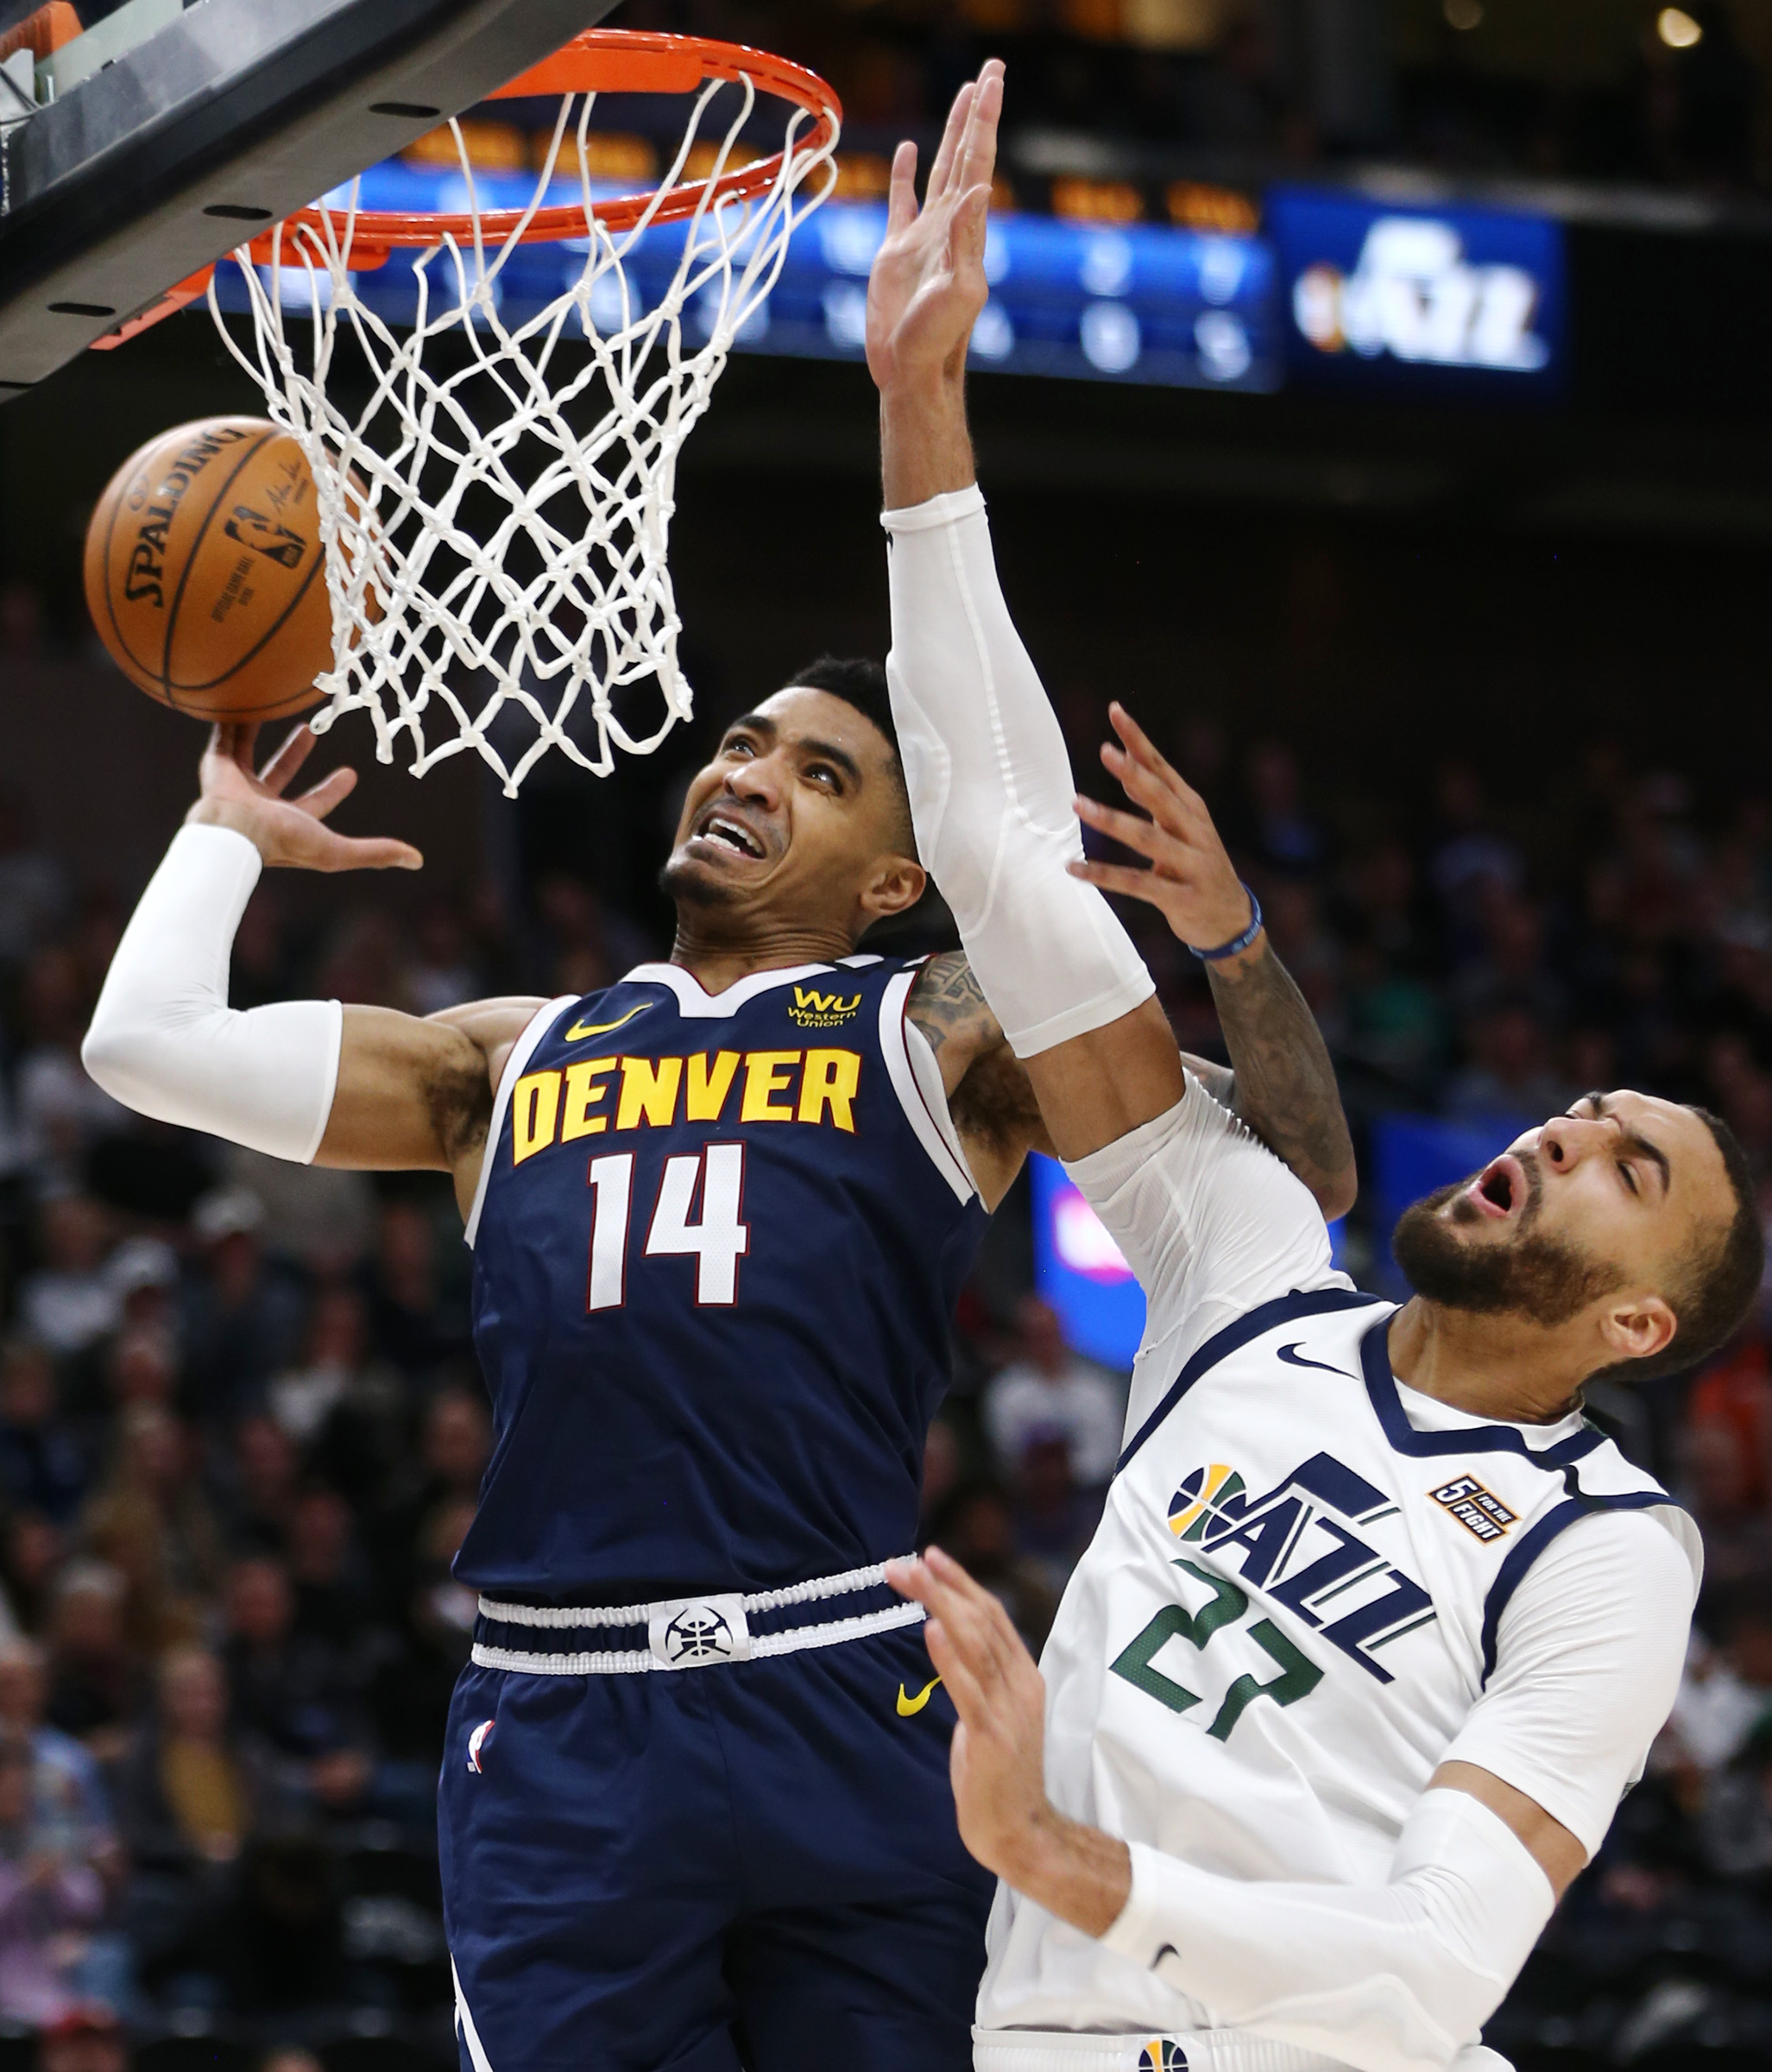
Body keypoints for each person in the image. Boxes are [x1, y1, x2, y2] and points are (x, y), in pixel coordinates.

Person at [868, 61, 1764, 2072]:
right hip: (1052, 2037)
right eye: (1583, 1113)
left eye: (1624, 1163)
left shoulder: (1608, 1550)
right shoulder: (1251, 1285)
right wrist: (921, 417)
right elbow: (1007, 865)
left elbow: (1431, 1976)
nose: (1566, 1130)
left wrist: (1049, 1852)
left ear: (1637, 1322)